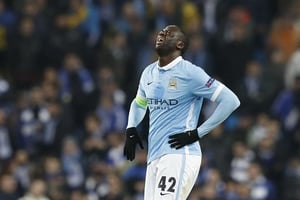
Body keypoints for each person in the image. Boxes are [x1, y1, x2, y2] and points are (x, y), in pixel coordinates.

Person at [123, 25, 240, 200]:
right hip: (154, 155)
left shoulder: (190, 72)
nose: (161, 34)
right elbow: (140, 103)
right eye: (161, 32)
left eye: (168, 34)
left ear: (179, 44)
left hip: (179, 154)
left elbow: (231, 100)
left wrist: (198, 133)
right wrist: (131, 128)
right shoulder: (149, 72)